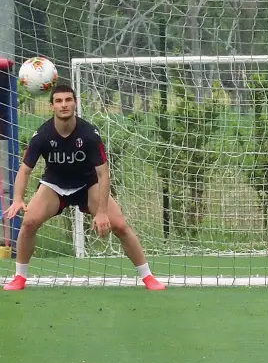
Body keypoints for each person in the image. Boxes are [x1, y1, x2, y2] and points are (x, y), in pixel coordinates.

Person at [3, 84, 165, 291]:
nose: (64, 105)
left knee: (120, 226)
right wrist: (17, 199)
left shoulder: (89, 134)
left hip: (88, 185)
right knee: (28, 223)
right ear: (51, 106)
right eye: (59, 101)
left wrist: (103, 212)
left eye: (68, 100)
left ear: (75, 103)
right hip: (55, 185)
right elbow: (24, 170)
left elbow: (103, 173)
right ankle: (19, 277)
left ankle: (148, 277)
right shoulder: (42, 136)